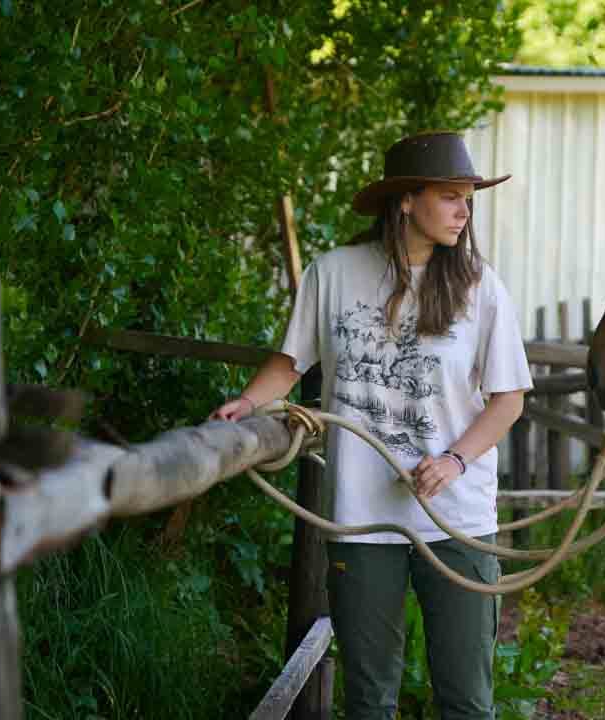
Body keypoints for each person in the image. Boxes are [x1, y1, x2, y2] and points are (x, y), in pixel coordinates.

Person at [211, 131, 532, 720]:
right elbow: (288, 365)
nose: (465, 210)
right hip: (361, 518)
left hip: (456, 517)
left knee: (467, 700)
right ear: (406, 200)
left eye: (469, 198)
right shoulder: (333, 273)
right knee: (368, 699)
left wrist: (454, 460)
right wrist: (245, 406)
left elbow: (507, 400)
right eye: (450, 195)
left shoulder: (480, 285)